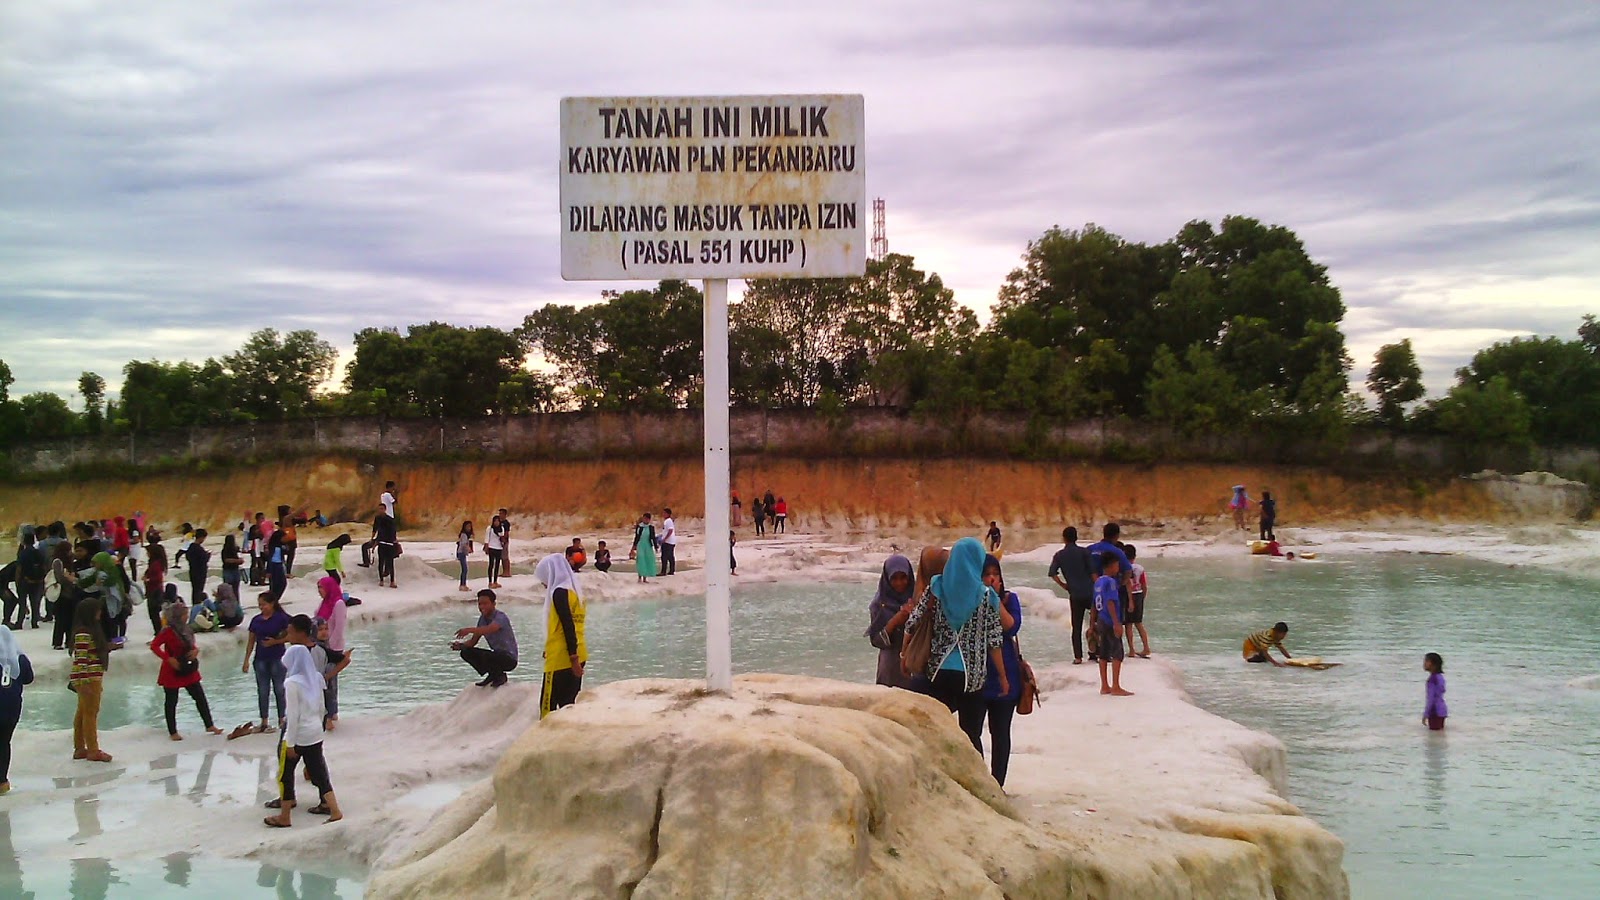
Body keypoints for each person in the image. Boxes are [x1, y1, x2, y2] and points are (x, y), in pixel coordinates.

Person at [903, 537, 1008, 751]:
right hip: (972, 677)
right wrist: (1003, 677)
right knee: (971, 736)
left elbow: (913, 622)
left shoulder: (937, 586)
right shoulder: (987, 595)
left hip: (938, 671)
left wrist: (904, 654)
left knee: (936, 731)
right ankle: (975, 772)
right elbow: (994, 640)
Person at [263, 644, 343, 827]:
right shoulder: (317, 678)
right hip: (315, 733)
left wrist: (290, 743)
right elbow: (322, 708)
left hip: (299, 735)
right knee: (320, 774)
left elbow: (293, 716)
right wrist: (319, 728)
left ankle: (285, 816)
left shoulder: (292, 683)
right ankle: (335, 810)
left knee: (285, 775)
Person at [149, 600, 222, 740]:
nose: (187, 617)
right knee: (171, 701)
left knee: (200, 697)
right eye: (184, 614)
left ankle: (209, 725)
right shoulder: (168, 631)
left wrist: (195, 651)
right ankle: (173, 732)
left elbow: (191, 645)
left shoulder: (186, 629)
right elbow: (154, 646)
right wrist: (168, 658)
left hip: (188, 667)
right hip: (173, 668)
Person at [980, 555, 1022, 787]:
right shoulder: (971, 599)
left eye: (996, 574)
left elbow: (1011, 626)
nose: (992, 578)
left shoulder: (1009, 599)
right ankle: (980, 781)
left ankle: (998, 785)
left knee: (1001, 732)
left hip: (1006, 673)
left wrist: (994, 599)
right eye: (986, 574)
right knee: (972, 731)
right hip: (978, 674)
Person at [535, 551, 587, 718]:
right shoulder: (576, 593)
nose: (543, 583)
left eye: (543, 578)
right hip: (580, 650)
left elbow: (567, 625)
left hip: (562, 657)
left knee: (547, 706)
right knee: (568, 705)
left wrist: (573, 658)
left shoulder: (559, 592)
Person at [71, 598, 113, 762]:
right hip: (89, 678)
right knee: (90, 713)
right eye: (97, 610)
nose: (100, 613)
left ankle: (80, 747)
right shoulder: (83, 633)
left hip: (88, 677)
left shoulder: (86, 632)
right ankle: (93, 750)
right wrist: (84, 682)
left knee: (83, 712)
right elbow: (81, 659)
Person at [242, 593, 291, 732]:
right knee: (262, 691)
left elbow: (291, 636)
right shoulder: (256, 620)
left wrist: (276, 642)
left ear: (272, 604)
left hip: (278, 658)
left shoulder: (281, 618)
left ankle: (282, 718)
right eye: (260, 604)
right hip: (260, 659)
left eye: (264, 604)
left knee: (279, 689)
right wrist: (246, 660)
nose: (261, 607)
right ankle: (264, 721)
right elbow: (251, 641)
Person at [865, 554, 916, 689]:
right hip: (890, 667)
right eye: (894, 578)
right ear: (887, 579)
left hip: (915, 663)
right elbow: (876, 640)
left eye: (903, 577)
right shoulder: (878, 605)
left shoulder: (919, 600)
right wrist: (895, 621)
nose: (899, 583)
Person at [1048, 527, 1095, 664]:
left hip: (1075, 594)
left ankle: (1078, 657)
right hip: (1090, 591)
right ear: (1076, 537)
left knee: (1076, 626)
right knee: (1096, 622)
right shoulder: (1084, 552)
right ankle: (1096, 651)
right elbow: (1093, 573)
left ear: (1064, 538)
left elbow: (1052, 573)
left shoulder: (1059, 555)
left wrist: (1064, 585)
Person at [453, 589, 517, 688]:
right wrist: (461, 646)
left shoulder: (500, 617)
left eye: (485, 604)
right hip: (496, 656)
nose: (482, 607)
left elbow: (489, 629)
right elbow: (473, 642)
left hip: (509, 659)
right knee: (466, 652)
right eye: (480, 604)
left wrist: (469, 630)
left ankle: (499, 675)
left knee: (488, 656)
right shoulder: (482, 620)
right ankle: (493, 674)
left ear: (493, 604)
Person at [1, 625, 35, 793]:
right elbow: (29, 678)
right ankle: (2, 782)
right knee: (4, 742)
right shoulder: (19, 658)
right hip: (12, 708)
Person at [1094, 553, 1132, 696]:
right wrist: (1117, 622)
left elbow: (1094, 603)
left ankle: (1104, 685)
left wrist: (1092, 623)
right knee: (1117, 652)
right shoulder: (1110, 582)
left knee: (1103, 653)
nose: (1118, 568)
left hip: (1101, 618)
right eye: (1117, 565)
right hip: (1110, 619)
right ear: (1111, 566)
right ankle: (1116, 686)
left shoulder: (1098, 581)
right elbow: (1110, 602)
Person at [314, 578, 349, 729]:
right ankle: (326, 711)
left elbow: (339, 628)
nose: (319, 591)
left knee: (331, 681)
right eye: (318, 588)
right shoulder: (324, 603)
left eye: (321, 587)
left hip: (333, 647)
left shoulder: (339, 604)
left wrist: (330, 648)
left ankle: (332, 712)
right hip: (321, 646)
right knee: (323, 680)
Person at [16, 531, 47, 629]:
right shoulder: (39, 552)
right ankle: (34, 622)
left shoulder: (23, 553)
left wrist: (17, 581)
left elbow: (19, 568)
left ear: (24, 541)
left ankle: (19, 622)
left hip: (24, 580)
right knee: (35, 602)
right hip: (37, 581)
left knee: (22, 602)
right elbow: (44, 566)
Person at [1124, 545, 1150, 658]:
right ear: (1134, 556)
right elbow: (1144, 585)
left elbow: (1126, 583)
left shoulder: (1124, 567)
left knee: (1128, 624)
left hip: (1129, 595)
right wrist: (1143, 597)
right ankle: (1146, 647)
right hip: (1139, 594)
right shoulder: (1140, 568)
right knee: (1139, 623)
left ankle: (1131, 650)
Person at [372, 506, 398, 590]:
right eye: (379, 509)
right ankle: (381, 580)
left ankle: (392, 581)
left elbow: (393, 532)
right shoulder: (377, 518)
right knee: (381, 562)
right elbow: (375, 529)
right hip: (381, 543)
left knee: (390, 563)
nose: (380, 510)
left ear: (385, 509)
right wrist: (373, 540)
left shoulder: (390, 520)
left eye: (382, 509)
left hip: (389, 543)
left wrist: (394, 542)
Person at [184, 529, 211, 607]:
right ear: (201, 537)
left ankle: (195, 606)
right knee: (199, 590)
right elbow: (204, 560)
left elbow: (188, 557)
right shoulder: (199, 549)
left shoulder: (191, 547)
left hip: (193, 571)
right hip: (200, 573)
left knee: (195, 590)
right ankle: (198, 606)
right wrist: (208, 555)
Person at [1423, 652, 1447, 731]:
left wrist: (1426, 714)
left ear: (1434, 664)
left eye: (1427, 661)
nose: (1424, 664)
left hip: (1435, 711)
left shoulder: (1433, 679)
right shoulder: (1440, 677)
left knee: (1433, 735)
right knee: (1439, 734)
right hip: (1442, 710)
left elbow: (1431, 698)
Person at [631, 513, 658, 583]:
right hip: (640, 545)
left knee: (647, 560)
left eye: (646, 519)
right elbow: (637, 537)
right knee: (641, 560)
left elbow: (653, 538)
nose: (645, 520)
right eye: (644, 518)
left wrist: (656, 546)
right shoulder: (639, 527)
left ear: (649, 519)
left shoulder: (651, 527)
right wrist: (634, 546)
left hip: (648, 545)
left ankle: (645, 578)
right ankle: (640, 577)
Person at [220, 534, 245, 602]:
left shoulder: (234, 550)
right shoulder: (225, 550)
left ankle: (236, 604)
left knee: (235, 589)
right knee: (229, 590)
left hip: (234, 570)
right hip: (229, 571)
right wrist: (237, 561)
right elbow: (226, 560)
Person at [484, 514, 505, 588]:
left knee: (497, 565)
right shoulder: (489, 528)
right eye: (495, 521)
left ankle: (495, 581)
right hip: (491, 547)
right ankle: (490, 582)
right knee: (491, 564)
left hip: (499, 548)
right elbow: (487, 538)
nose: (496, 522)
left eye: (497, 521)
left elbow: (502, 537)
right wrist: (486, 546)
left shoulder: (501, 528)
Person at [455, 521, 475, 592]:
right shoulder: (463, 535)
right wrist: (468, 548)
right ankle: (462, 585)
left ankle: (463, 584)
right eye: (467, 526)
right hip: (461, 553)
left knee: (464, 569)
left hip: (463, 553)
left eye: (470, 526)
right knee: (465, 569)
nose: (468, 528)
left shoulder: (467, 535)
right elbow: (463, 544)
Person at [659, 508, 677, 576]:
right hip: (670, 541)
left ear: (668, 514)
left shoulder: (668, 521)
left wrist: (664, 539)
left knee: (665, 556)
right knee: (670, 556)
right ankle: (671, 570)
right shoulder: (667, 521)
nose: (663, 514)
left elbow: (670, 530)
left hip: (668, 542)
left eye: (664, 513)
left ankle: (664, 571)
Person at [496, 508, 513, 576]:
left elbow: (506, 532)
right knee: (502, 557)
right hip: (499, 541)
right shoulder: (499, 522)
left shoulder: (506, 523)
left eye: (501, 513)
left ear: (505, 514)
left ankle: (507, 572)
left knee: (505, 557)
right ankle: (504, 572)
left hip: (504, 541)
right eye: (499, 513)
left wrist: (504, 540)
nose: (500, 515)